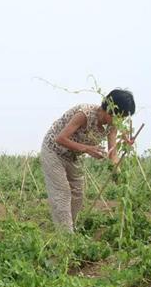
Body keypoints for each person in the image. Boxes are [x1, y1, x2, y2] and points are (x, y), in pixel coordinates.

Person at [40, 89, 136, 231]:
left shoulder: (112, 125)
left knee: (78, 194)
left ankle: (66, 229)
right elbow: (60, 139)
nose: (120, 121)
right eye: (120, 116)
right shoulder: (84, 114)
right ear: (111, 109)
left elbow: (113, 154)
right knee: (63, 193)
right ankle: (65, 236)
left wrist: (118, 174)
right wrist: (87, 149)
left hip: (72, 155)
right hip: (53, 151)